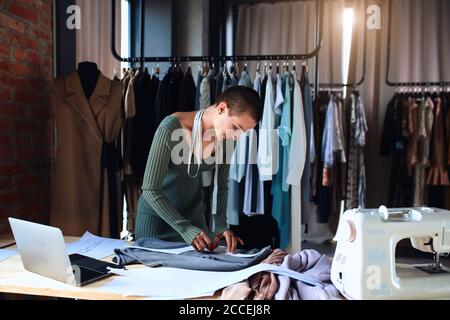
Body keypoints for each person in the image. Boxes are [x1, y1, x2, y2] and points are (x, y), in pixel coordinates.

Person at [135, 86, 262, 252]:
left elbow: (221, 186)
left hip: (195, 224)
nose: (236, 136)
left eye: (243, 132)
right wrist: (186, 229)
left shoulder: (228, 139)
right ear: (222, 109)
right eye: (236, 127)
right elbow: (150, 190)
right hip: (156, 224)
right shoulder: (170, 127)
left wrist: (221, 227)